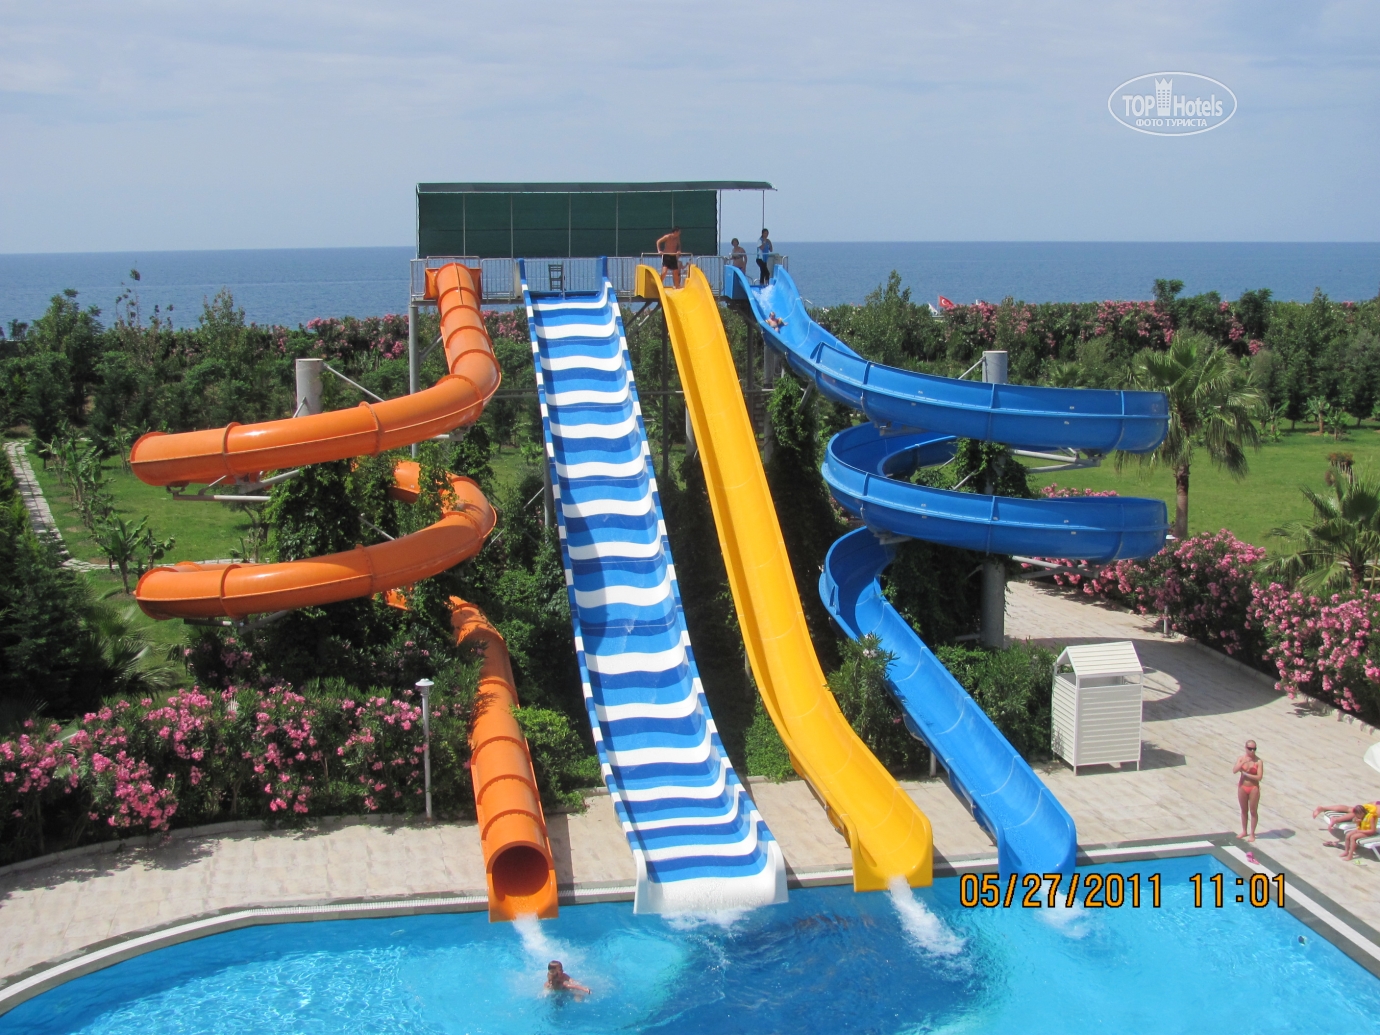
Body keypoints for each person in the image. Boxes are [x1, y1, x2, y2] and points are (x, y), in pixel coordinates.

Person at [1313, 802, 1379, 860]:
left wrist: (1358, 828)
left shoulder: (1370, 814)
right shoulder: (1369, 814)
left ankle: (1324, 808)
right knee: (1353, 813)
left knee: (1349, 809)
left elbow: (1372, 830)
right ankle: (1337, 820)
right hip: (1372, 814)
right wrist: (1357, 823)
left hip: (1375, 804)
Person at [1233, 740, 1263, 842]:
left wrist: (1247, 774)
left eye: (1254, 749)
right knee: (1243, 810)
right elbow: (1234, 770)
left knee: (1253, 811)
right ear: (1246, 748)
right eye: (1250, 749)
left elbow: (1259, 777)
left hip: (1253, 787)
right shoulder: (1241, 759)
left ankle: (1252, 833)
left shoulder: (1258, 761)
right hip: (1242, 786)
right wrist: (1242, 763)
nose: (1252, 751)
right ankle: (1244, 831)